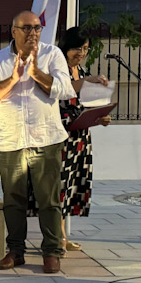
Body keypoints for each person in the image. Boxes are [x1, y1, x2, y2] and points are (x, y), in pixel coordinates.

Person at [0, 10, 76, 274]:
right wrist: (15, 77)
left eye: (37, 28)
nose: (33, 33)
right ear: (14, 31)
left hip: (47, 138)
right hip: (11, 141)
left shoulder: (53, 55)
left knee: (49, 199)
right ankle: (16, 251)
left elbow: (65, 89)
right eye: (26, 28)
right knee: (13, 200)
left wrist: (36, 72)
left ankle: (51, 251)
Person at [53, 26, 111, 249]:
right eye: (77, 48)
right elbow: (58, 94)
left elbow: (89, 107)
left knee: (74, 186)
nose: (81, 53)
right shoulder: (59, 71)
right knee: (60, 186)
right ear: (66, 47)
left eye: (85, 48)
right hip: (62, 138)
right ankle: (58, 236)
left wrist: (101, 118)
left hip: (81, 139)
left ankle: (63, 235)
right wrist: (89, 82)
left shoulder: (84, 73)